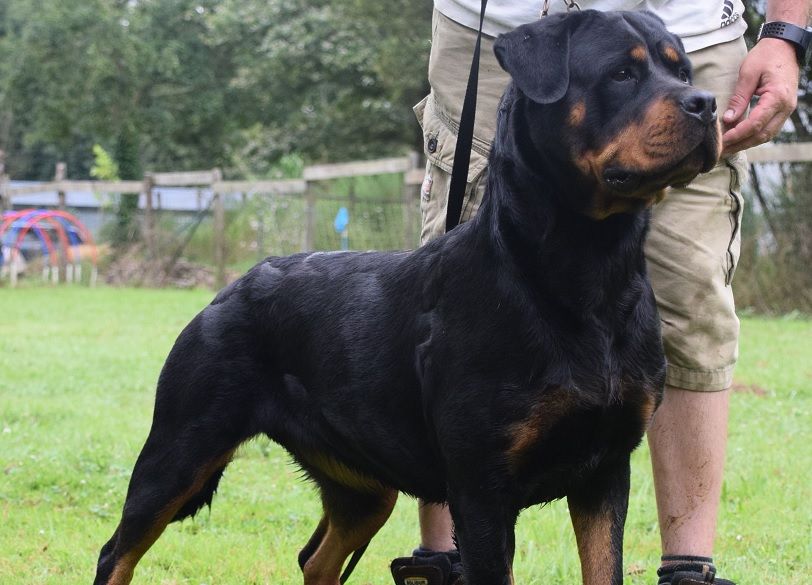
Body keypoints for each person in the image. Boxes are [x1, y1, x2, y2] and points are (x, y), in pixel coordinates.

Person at [393, 1, 808, 584]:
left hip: (685, 18)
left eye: (679, 79)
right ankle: (446, 568)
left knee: (690, 302)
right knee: (458, 318)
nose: (687, 97)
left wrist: (787, 34)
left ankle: (688, 573)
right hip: (493, 23)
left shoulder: (677, 82)